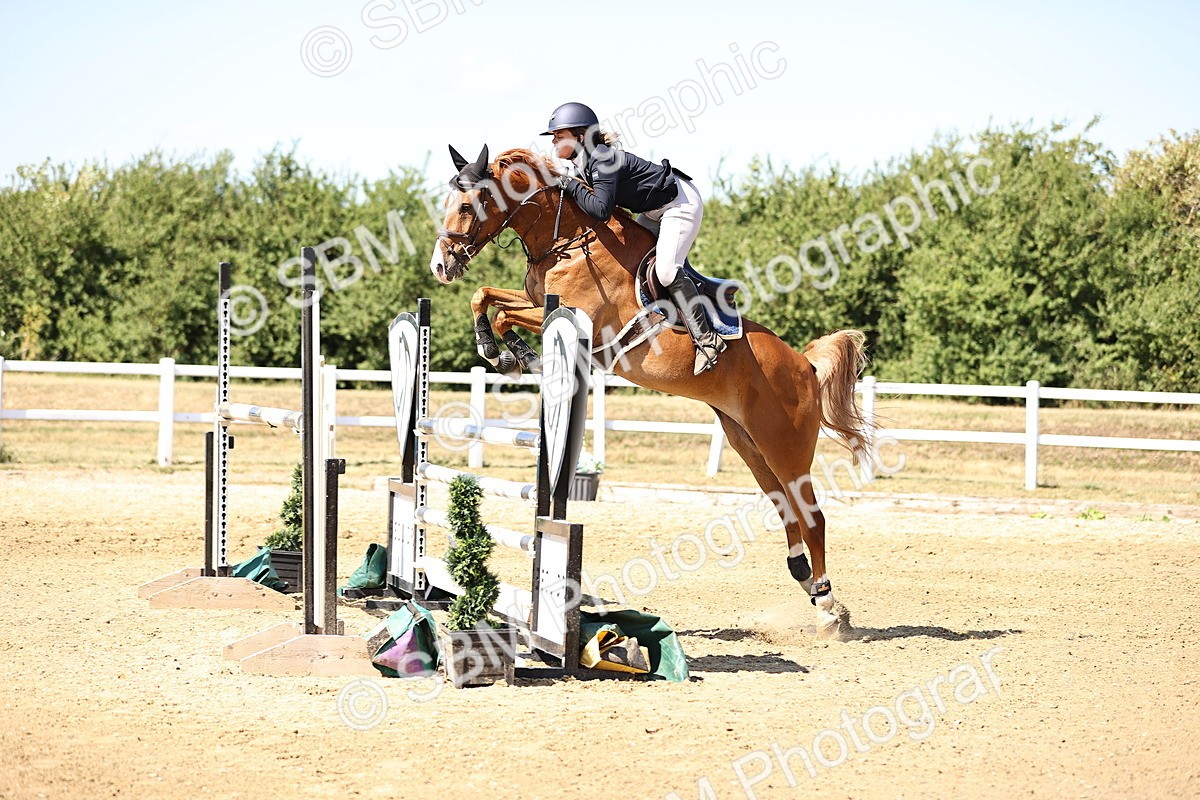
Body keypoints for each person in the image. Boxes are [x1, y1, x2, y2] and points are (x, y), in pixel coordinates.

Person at [541, 101, 726, 375]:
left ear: (580, 136)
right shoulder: (584, 162)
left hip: (679, 204)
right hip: (652, 211)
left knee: (665, 271)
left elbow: (601, 210)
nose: (554, 142)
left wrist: (568, 185)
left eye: (559, 135)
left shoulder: (602, 159)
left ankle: (708, 340)